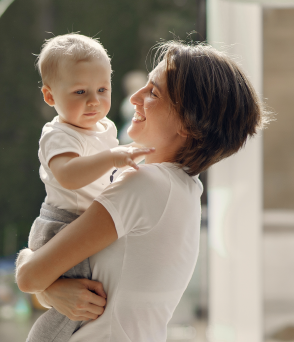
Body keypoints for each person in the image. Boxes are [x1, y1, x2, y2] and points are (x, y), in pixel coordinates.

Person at [16, 40, 269, 342]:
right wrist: (53, 291)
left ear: (188, 124)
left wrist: (44, 284)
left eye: (153, 92)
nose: (134, 97)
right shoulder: (186, 187)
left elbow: (29, 276)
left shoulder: (146, 184)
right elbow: (80, 290)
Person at [22, 33, 154, 342]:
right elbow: (68, 175)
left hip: (81, 221)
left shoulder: (104, 127)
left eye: (102, 89)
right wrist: (113, 157)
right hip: (61, 224)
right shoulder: (59, 134)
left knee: (81, 303)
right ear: (50, 96)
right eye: (80, 91)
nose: (93, 101)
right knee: (71, 309)